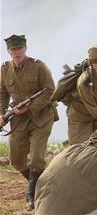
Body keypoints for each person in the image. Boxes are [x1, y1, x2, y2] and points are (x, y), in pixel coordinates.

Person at [0, 34, 57, 208]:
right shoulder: (4, 69)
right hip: (18, 118)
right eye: (12, 49)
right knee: (16, 160)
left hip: (42, 116)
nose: (16, 52)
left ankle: (31, 193)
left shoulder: (39, 67)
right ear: (8, 51)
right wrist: (1, 114)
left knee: (37, 156)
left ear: (25, 48)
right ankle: (41, 184)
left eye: (19, 49)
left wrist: (30, 107)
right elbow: (2, 93)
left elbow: (50, 91)